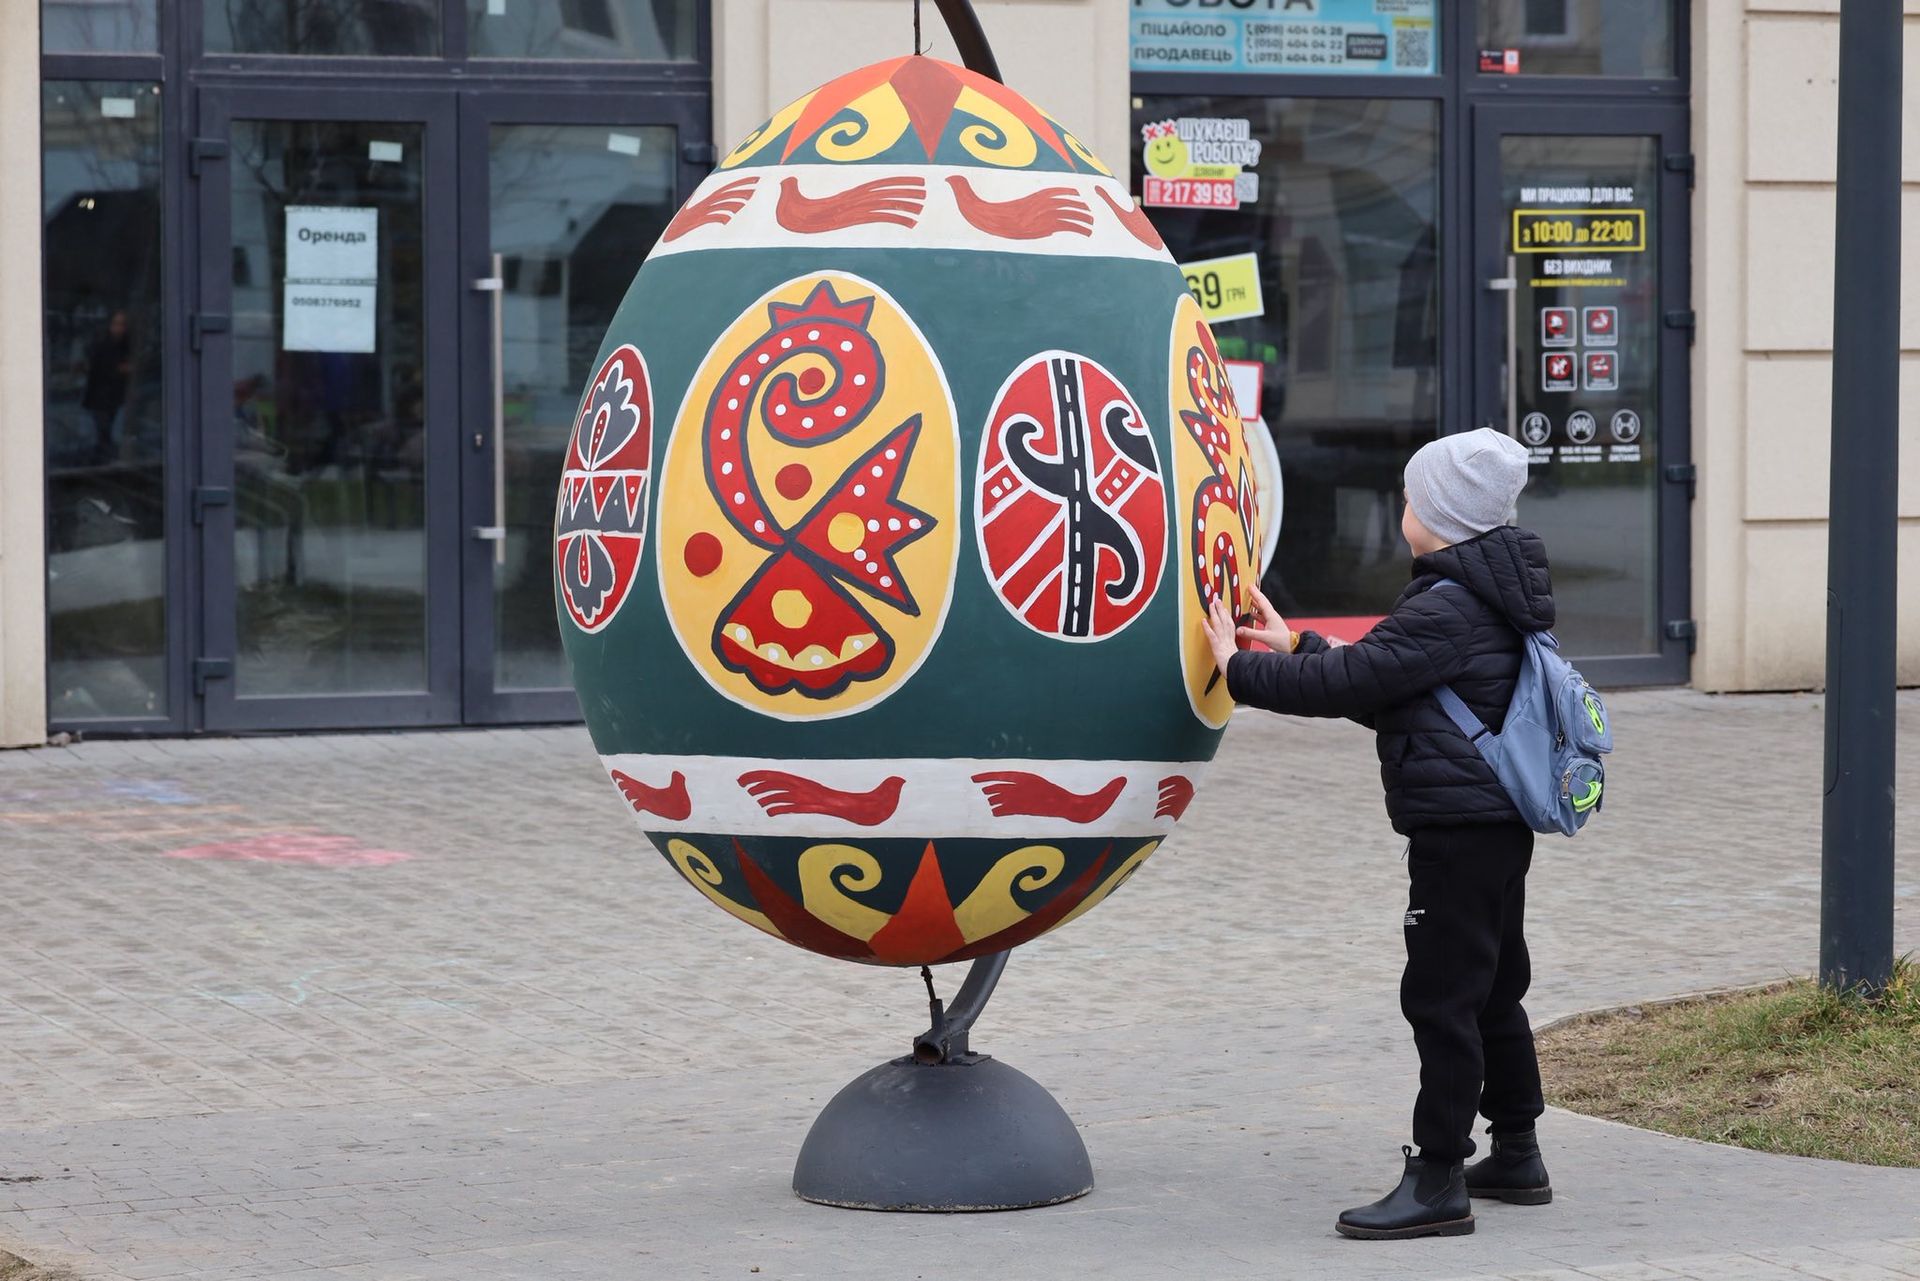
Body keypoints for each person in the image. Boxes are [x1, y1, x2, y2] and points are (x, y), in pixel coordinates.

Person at [1199, 427, 1556, 1241]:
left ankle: (1438, 1178)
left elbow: (1351, 681)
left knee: (1442, 998)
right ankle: (1518, 1152)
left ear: (1441, 514)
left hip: (1457, 832)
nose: (1403, 507)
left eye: (1411, 496)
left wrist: (1239, 668)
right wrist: (1297, 643)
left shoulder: (1446, 603)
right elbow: (1401, 695)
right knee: (1494, 987)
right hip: (1493, 826)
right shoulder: (1486, 592)